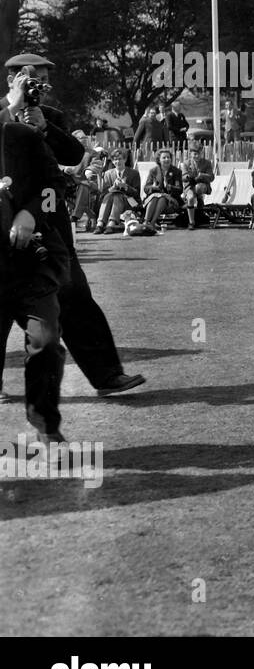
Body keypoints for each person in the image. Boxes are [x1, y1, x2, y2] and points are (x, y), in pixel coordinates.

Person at [3, 55, 144, 400]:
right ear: (14, 79)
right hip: (4, 224)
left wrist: (45, 129)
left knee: (75, 295)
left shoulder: (49, 117)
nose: (40, 88)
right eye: (33, 81)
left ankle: (107, 375)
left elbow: (68, 158)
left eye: (44, 82)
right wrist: (12, 111)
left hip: (48, 225)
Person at [0, 116, 72, 441]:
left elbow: (54, 185)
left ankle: (47, 429)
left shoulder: (20, 135)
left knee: (45, 342)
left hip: (31, 262)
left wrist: (31, 212)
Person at [94, 150, 140, 234]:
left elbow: (136, 193)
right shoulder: (108, 174)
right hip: (112, 201)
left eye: (120, 159)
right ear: (112, 161)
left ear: (125, 160)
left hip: (130, 201)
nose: (117, 161)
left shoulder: (134, 173)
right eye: (115, 159)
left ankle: (111, 223)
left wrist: (125, 186)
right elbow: (103, 194)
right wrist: (113, 187)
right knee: (110, 195)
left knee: (117, 195)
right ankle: (100, 223)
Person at [141, 148, 183, 232]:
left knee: (163, 198)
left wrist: (170, 187)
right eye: (164, 158)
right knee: (156, 197)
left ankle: (152, 223)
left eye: (168, 157)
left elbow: (180, 190)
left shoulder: (176, 171)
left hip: (170, 201)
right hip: (154, 199)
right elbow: (146, 188)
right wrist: (153, 188)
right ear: (159, 160)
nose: (167, 159)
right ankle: (146, 222)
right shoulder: (153, 171)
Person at [180, 137, 215, 229]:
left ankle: (199, 198)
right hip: (190, 185)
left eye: (199, 154)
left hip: (202, 185)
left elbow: (211, 177)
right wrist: (188, 177)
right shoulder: (186, 163)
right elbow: (183, 177)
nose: (197, 156)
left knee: (199, 188)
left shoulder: (207, 163)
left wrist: (202, 175)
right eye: (195, 154)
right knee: (190, 198)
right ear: (190, 154)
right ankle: (191, 222)